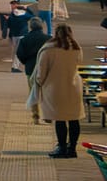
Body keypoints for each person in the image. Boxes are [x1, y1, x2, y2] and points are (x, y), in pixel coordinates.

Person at [32, 24, 85, 158]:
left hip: (55, 89)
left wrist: (39, 83)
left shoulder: (48, 50)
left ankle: (61, 147)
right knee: (74, 118)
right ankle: (72, 148)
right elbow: (79, 62)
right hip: (73, 88)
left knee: (60, 119)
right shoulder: (76, 48)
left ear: (56, 34)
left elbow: (41, 73)